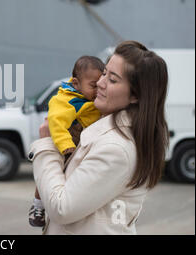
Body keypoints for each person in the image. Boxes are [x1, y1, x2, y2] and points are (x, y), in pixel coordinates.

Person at [29, 41, 169, 234]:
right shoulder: (100, 125)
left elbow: (61, 209)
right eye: (104, 73)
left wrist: (46, 145)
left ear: (135, 96)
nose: (100, 83)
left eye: (112, 80)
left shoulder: (116, 148)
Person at [29, 56, 104, 227]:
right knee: (47, 176)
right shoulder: (66, 99)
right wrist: (65, 146)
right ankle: (37, 206)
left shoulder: (88, 99)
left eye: (100, 85)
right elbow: (55, 122)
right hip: (63, 142)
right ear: (76, 83)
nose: (97, 90)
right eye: (93, 86)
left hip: (79, 142)